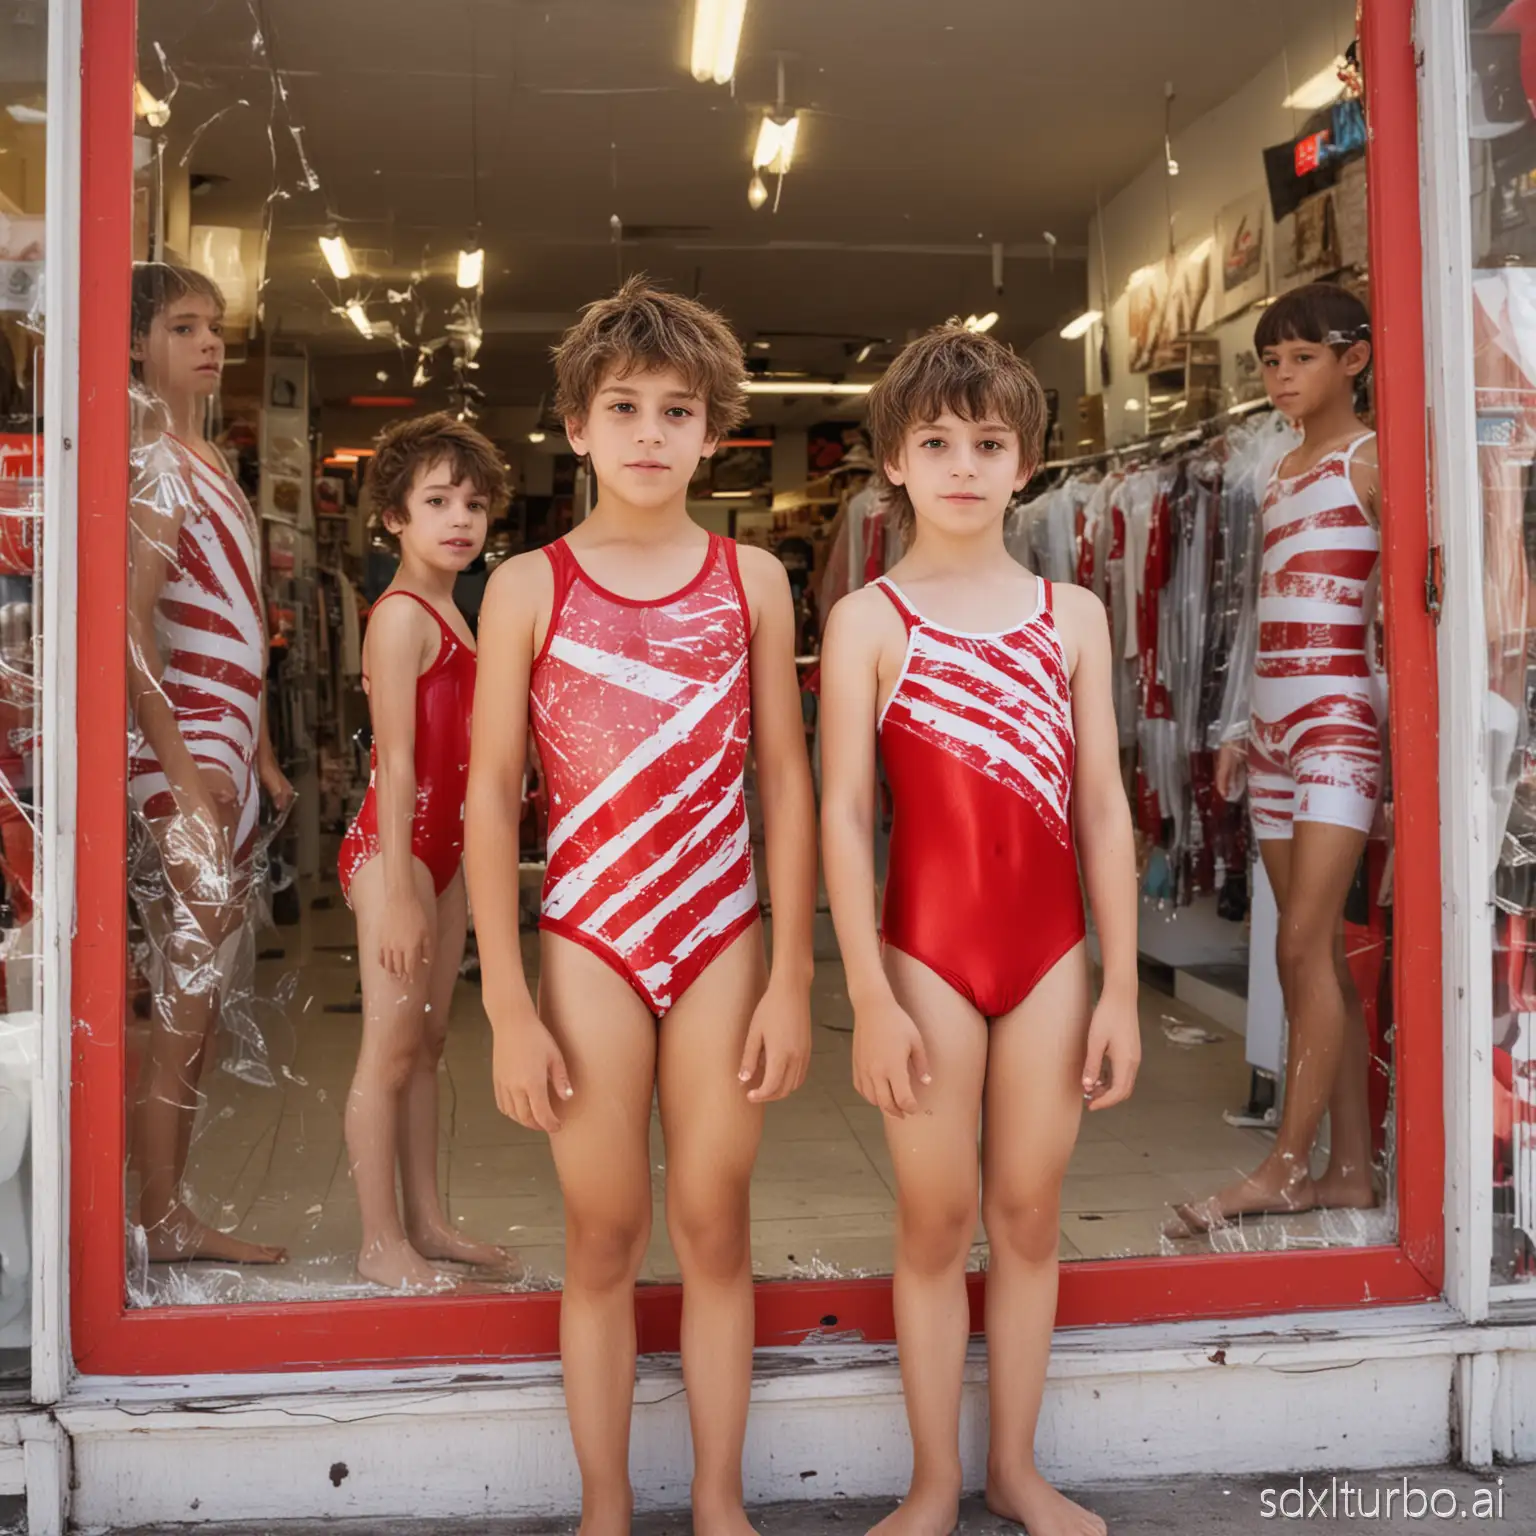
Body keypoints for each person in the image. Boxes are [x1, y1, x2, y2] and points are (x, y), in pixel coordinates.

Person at [464, 277, 817, 1536]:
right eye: (625, 408)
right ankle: (604, 1510)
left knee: (715, 1224)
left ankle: (720, 1504)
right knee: (605, 1229)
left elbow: (786, 778)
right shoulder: (525, 587)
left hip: (722, 930)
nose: (651, 434)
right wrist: (506, 1007)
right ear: (576, 425)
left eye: (678, 411)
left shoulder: (755, 581)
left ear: (714, 431)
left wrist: (791, 975)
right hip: (590, 936)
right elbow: (492, 796)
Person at [819, 323, 1140, 1536]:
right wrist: (868, 990)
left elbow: (1103, 807)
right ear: (893, 461)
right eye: (936, 441)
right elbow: (846, 816)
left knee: (1026, 1216)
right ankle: (934, 1481)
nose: (963, 463)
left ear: (1029, 462)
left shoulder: (1074, 614)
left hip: (1052, 954)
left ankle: (1013, 1467)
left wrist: (1115, 988)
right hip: (927, 957)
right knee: (935, 1217)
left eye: (989, 442)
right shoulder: (869, 618)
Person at [1177, 283, 1382, 1234]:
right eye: (1268, 360)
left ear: (1356, 358)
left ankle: (1283, 1169)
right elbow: (1259, 612)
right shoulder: (1280, 470)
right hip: (1270, 730)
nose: (1281, 375)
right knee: (1312, 961)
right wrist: (1231, 729)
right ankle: (1348, 1169)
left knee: (1306, 944)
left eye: (1301, 356)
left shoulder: (1373, 462)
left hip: (1339, 719)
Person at [125, 262, 294, 1263]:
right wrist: (184, 771)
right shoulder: (157, 464)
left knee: (200, 996)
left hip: (224, 741)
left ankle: (165, 1211)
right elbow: (129, 623)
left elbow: (243, 625)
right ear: (139, 344)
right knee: (185, 997)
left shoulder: (209, 459)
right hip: (183, 741)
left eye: (213, 326)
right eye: (183, 326)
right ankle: (155, 1216)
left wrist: (263, 753)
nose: (207, 342)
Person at [338, 413, 519, 1291]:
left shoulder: (459, 608)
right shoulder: (403, 616)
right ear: (394, 518)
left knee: (431, 1040)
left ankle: (428, 1222)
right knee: (389, 1047)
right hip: (396, 850)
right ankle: (380, 1243)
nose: (460, 519)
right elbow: (398, 760)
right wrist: (404, 890)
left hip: (442, 850)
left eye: (474, 504)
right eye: (437, 500)